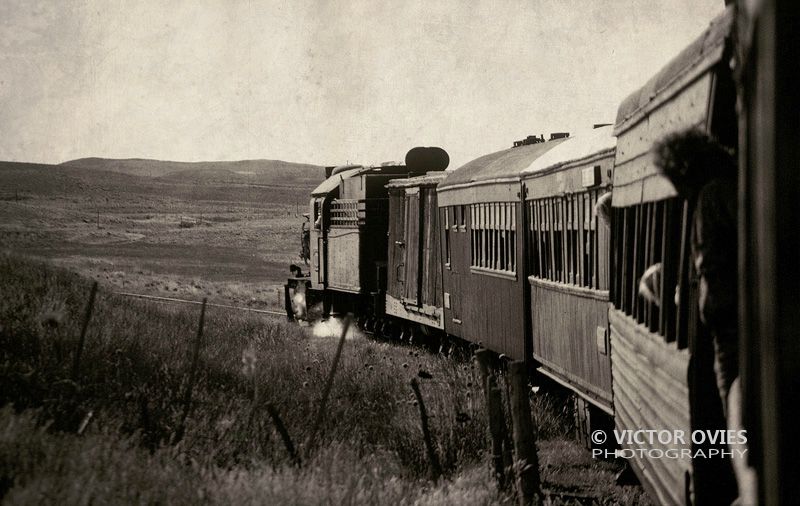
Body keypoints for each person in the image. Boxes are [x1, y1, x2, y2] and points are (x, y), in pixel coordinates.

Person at [653, 128, 755, 503]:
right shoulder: (712, 193)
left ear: (684, 170)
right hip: (727, 325)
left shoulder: (714, 194)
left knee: (737, 421)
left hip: (732, 330)